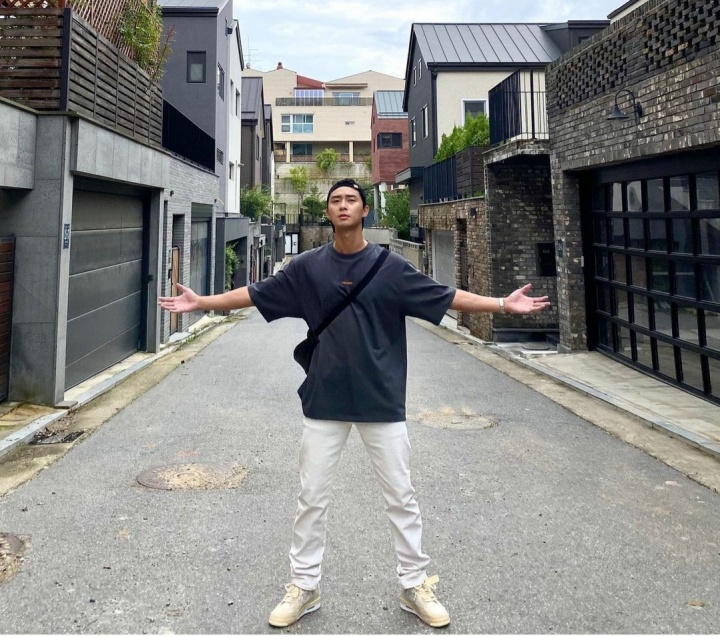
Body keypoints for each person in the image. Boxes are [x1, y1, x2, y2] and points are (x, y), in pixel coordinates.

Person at [158, 179, 550, 629]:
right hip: (324, 398)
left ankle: (414, 583)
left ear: (365, 210)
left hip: (381, 399)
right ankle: (304, 585)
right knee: (311, 497)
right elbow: (255, 293)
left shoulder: (391, 267)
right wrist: (202, 302)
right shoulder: (307, 267)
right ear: (328, 212)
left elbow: (445, 296)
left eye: (351, 200)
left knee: (401, 496)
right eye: (335, 200)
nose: (343, 205)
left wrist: (502, 304)